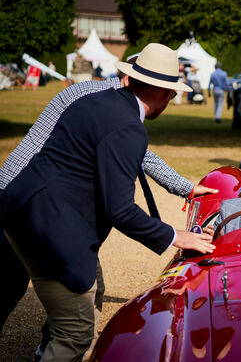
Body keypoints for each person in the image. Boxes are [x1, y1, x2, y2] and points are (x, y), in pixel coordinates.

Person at [0, 43, 216, 361]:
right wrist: (175, 236)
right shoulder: (126, 125)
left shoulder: (93, 100)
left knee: (81, 291)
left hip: (20, 205)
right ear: (165, 94)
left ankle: (47, 346)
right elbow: (120, 209)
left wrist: (183, 187)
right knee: (74, 332)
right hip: (50, 221)